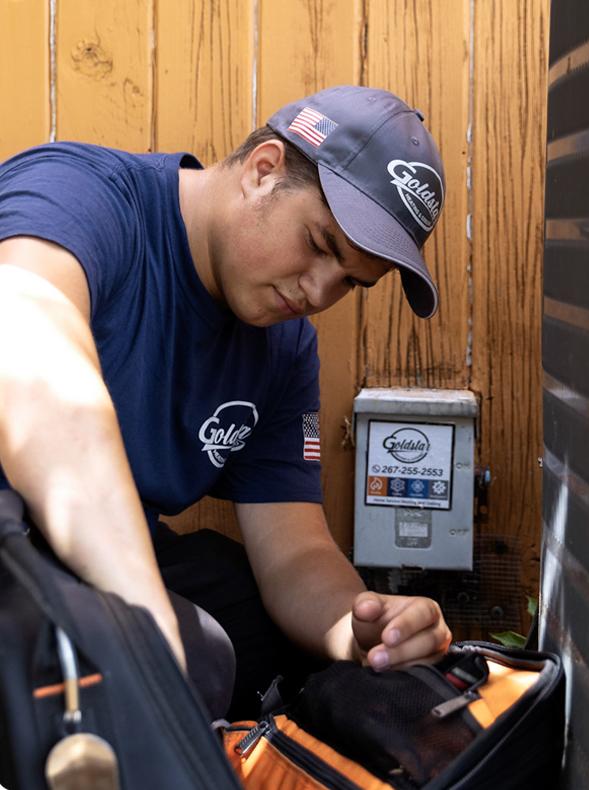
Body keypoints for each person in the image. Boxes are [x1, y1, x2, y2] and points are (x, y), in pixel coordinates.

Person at [0, 85, 451, 720]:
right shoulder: (80, 193)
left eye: (351, 281)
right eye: (321, 245)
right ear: (263, 171)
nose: (320, 291)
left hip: (72, 571)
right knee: (183, 652)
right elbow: (39, 376)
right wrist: (143, 616)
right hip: (16, 540)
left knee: (239, 612)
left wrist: (364, 630)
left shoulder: (284, 347)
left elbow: (295, 553)